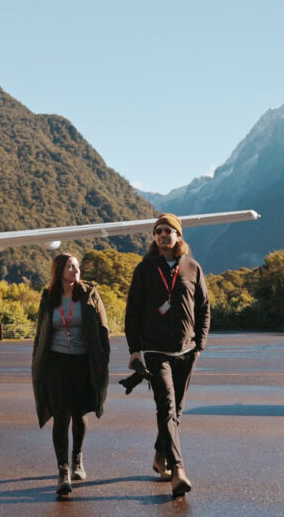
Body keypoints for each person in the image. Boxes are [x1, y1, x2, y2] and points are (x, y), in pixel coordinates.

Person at [125, 213, 209, 497]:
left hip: (186, 350)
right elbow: (132, 311)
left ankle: (160, 454)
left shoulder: (192, 267)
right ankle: (178, 469)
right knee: (166, 407)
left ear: (178, 236)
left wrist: (200, 345)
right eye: (158, 231)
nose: (162, 235)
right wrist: (134, 349)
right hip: (154, 349)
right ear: (154, 237)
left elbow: (204, 307)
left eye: (168, 230)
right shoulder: (145, 269)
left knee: (177, 410)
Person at [31, 253, 110, 497]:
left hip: (83, 362)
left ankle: (77, 458)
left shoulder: (89, 295)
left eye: (77, 266)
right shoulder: (49, 297)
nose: (76, 270)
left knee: (79, 412)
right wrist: (38, 364)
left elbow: (103, 329)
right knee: (61, 415)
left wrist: (101, 360)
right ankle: (62, 470)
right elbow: (40, 333)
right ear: (59, 271)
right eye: (70, 266)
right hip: (56, 363)